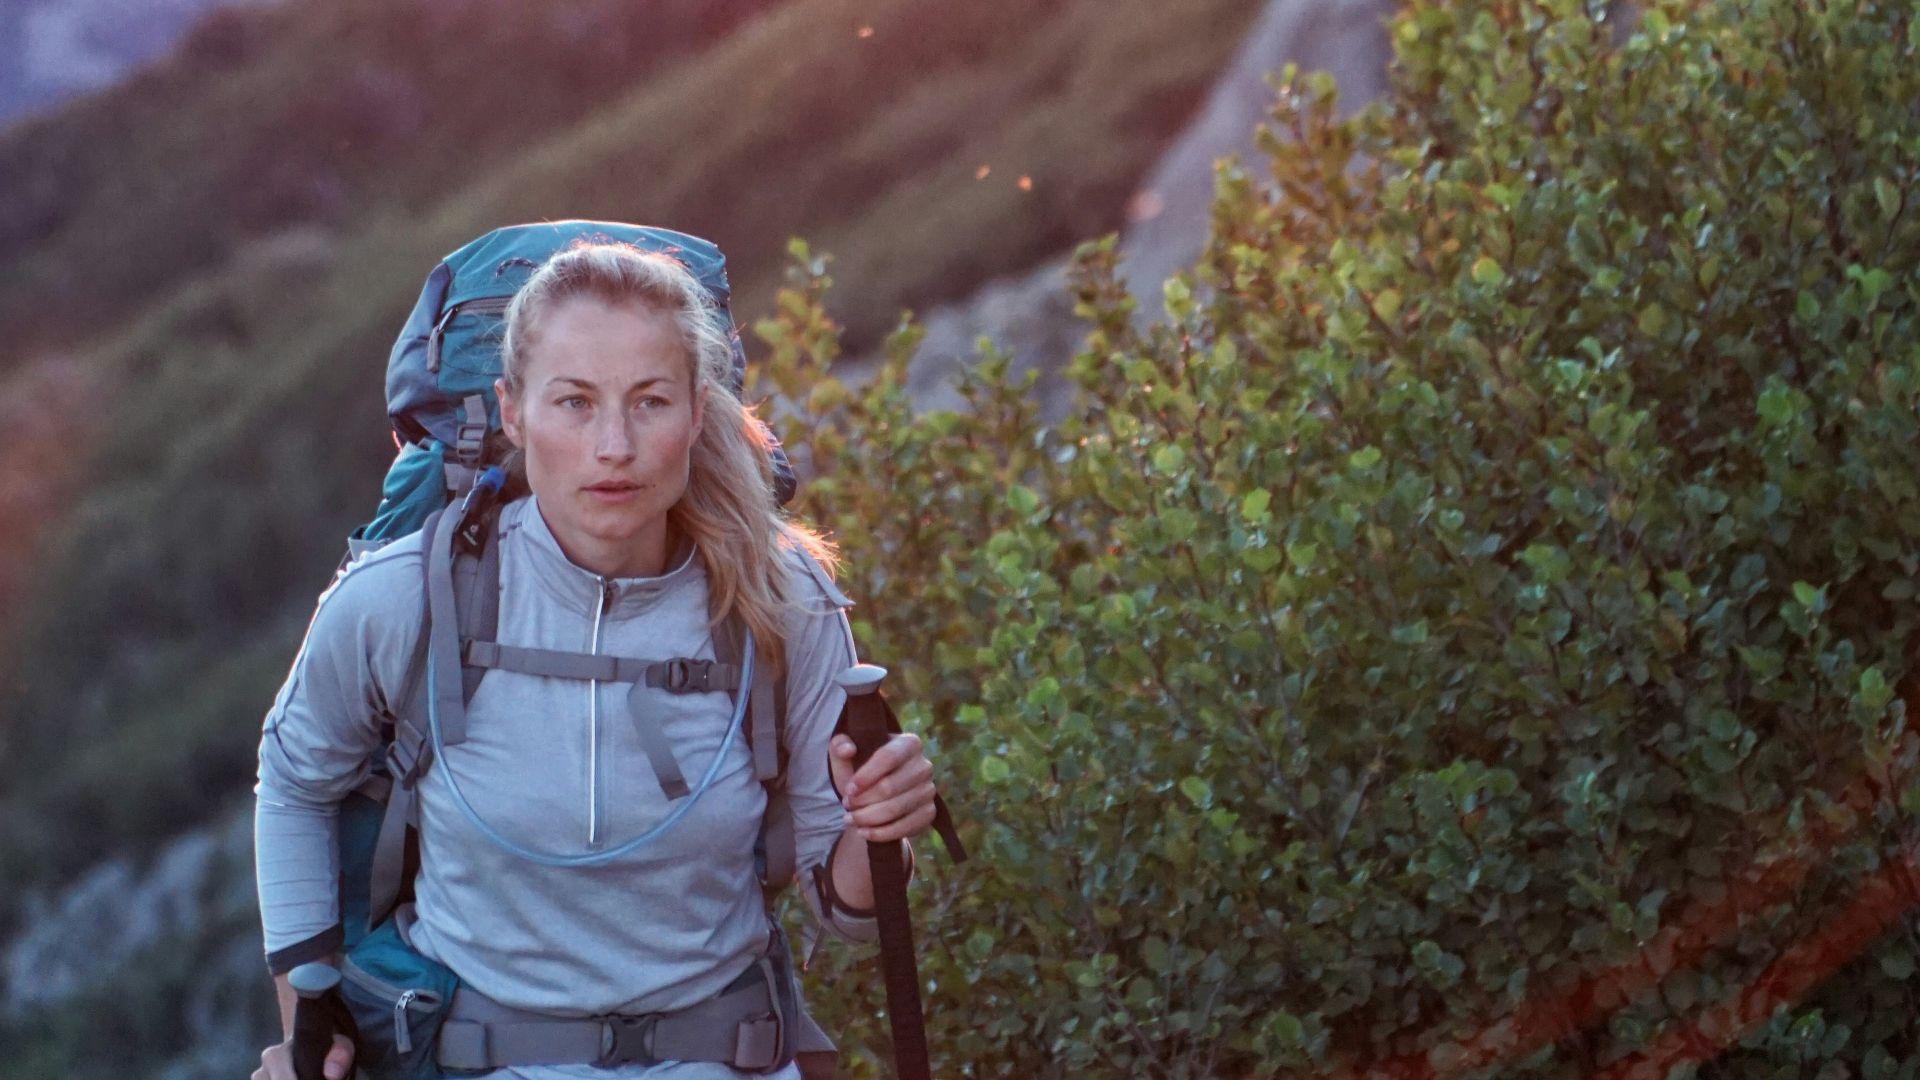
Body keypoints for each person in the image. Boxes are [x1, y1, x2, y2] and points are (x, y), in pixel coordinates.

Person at [252, 241, 940, 1079]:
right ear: (513, 412)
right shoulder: (407, 597)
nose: (613, 445)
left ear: (697, 411)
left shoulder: (779, 593)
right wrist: (308, 1012)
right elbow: (294, 777)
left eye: (649, 402)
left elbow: (851, 912)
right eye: (574, 403)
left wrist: (882, 831)